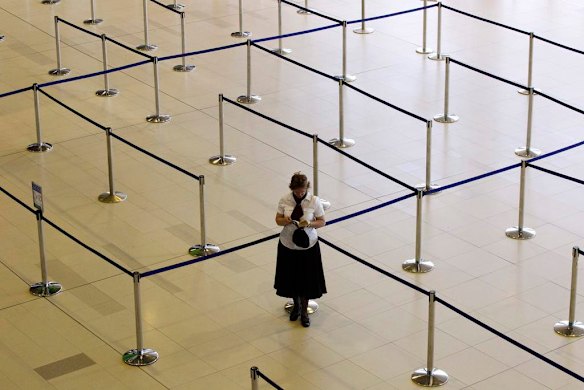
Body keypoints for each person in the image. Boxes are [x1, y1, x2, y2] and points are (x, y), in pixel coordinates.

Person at [274, 172, 326, 327]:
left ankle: (304, 311)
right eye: (297, 191)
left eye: (302, 191)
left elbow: (322, 221)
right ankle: (296, 306)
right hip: (288, 243)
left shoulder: (314, 201)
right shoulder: (285, 199)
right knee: (291, 276)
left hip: (308, 245)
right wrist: (286, 220)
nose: (300, 194)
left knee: (306, 279)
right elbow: (277, 220)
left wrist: (308, 224)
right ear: (292, 189)